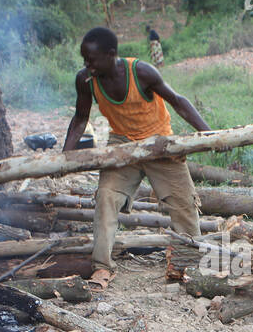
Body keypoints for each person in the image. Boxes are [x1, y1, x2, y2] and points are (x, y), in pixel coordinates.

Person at [62, 27, 208, 290]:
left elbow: (177, 100)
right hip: (122, 146)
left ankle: (187, 265)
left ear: (111, 54)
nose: (87, 65)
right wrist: (65, 157)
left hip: (159, 144)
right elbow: (81, 118)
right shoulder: (85, 80)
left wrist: (209, 134)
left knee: (183, 204)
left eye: (92, 59)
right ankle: (102, 267)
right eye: (84, 59)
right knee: (106, 196)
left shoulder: (142, 72)